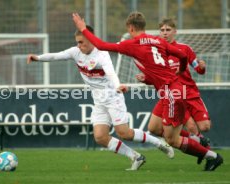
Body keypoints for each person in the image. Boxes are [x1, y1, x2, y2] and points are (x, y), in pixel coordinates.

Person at [72, 12, 223, 171]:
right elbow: (181, 55)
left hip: (172, 93)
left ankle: (211, 156)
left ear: (130, 28)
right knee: (154, 128)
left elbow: (101, 46)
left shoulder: (132, 44)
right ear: (143, 26)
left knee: (172, 139)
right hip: (170, 91)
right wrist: (179, 70)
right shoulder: (157, 40)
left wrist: (83, 28)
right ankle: (198, 142)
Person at [27, 25, 174, 171]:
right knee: (100, 137)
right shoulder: (75, 52)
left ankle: (158, 142)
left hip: (113, 97)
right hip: (99, 101)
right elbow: (56, 56)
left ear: (91, 40)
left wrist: (118, 85)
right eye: (77, 42)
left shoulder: (101, 54)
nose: (79, 45)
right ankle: (136, 157)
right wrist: (37, 58)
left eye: (81, 42)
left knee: (125, 133)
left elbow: (110, 72)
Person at [136, 18, 212, 164]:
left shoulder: (184, 49)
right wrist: (145, 78)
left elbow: (198, 69)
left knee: (204, 126)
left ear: (175, 32)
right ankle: (205, 151)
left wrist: (202, 67)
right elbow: (156, 78)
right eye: (162, 30)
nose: (165, 33)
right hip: (173, 94)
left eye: (168, 30)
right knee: (187, 126)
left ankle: (202, 145)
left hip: (189, 92)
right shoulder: (156, 52)